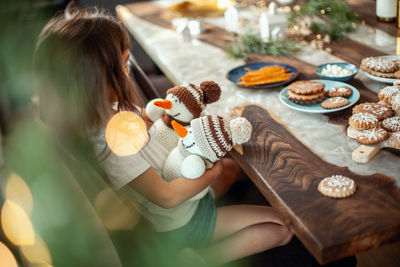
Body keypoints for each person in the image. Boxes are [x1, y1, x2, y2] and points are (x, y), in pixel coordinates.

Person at [34, 9, 292, 266]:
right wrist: (210, 171)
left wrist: (176, 110)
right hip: (179, 222)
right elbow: (166, 197)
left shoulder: (106, 112)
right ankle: (197, 258)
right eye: (124, 65)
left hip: (179, 197)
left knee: (231, 169)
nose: (128, 71)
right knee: (283, 228)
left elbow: (147, 122)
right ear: (100, 79)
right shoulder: (112, 144)